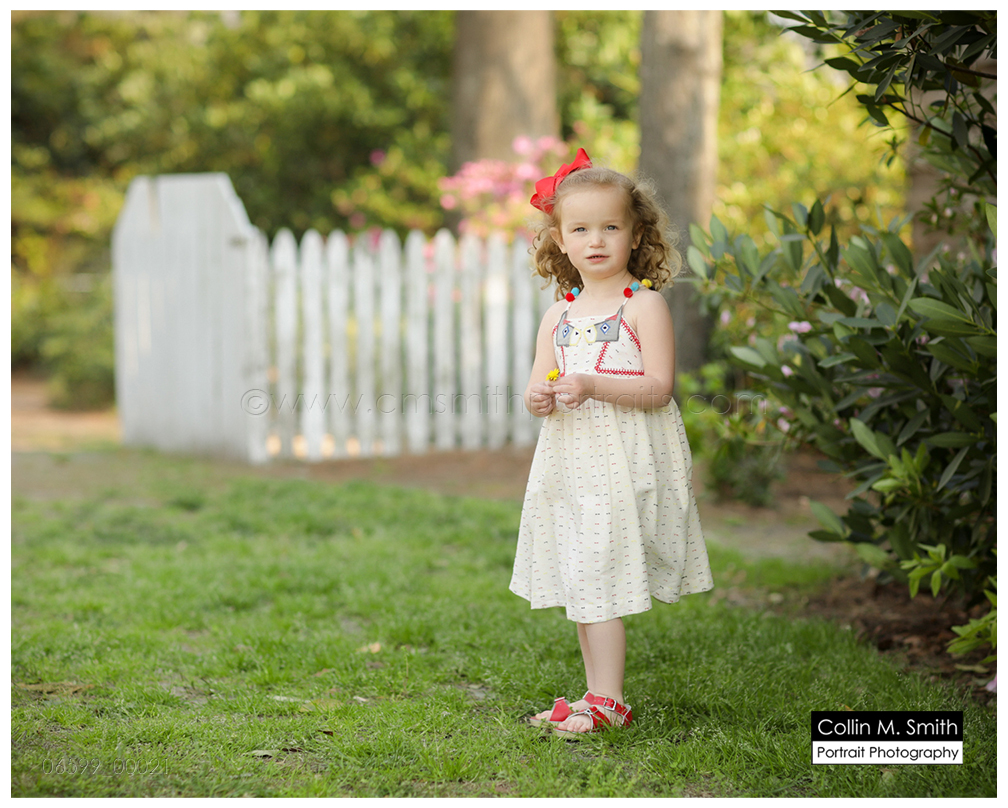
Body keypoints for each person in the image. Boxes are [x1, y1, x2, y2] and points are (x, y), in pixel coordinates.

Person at [510, 148, 714, 737]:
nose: (595, 240)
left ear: (636, 235)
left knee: (599, 572)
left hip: (624, 464)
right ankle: (596, 695)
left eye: (610, 227)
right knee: (582, 572)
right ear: (560, 241)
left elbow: (658, 389)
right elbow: (537, 387)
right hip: (572, 463)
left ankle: (609, 702)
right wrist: (541, 397)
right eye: (580, 229)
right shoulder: (559, 316)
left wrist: (593, 384)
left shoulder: (643, 305)